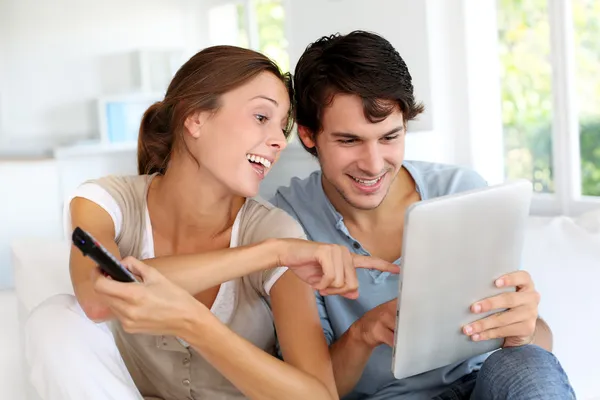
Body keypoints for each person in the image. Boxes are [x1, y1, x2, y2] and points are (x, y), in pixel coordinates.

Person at [24, 45, 399, 400]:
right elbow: (97, 298)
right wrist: (270, 254)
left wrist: (196, 325)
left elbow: (320, 395)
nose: (277, 142)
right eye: (261, 117)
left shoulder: (273, 228)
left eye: (281, 127)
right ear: (195, 118)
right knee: (54, 319)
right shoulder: (106, 203)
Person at [270, 31, 576, 399]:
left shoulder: (462, 190)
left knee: (529, 362)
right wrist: (363, 334)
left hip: (481, 386)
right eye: (349, 141)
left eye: (389, 137)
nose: (372, 165)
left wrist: (524, 330)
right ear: (307, 135)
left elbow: (536, 344)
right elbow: (315, 389)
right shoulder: (290, 220)